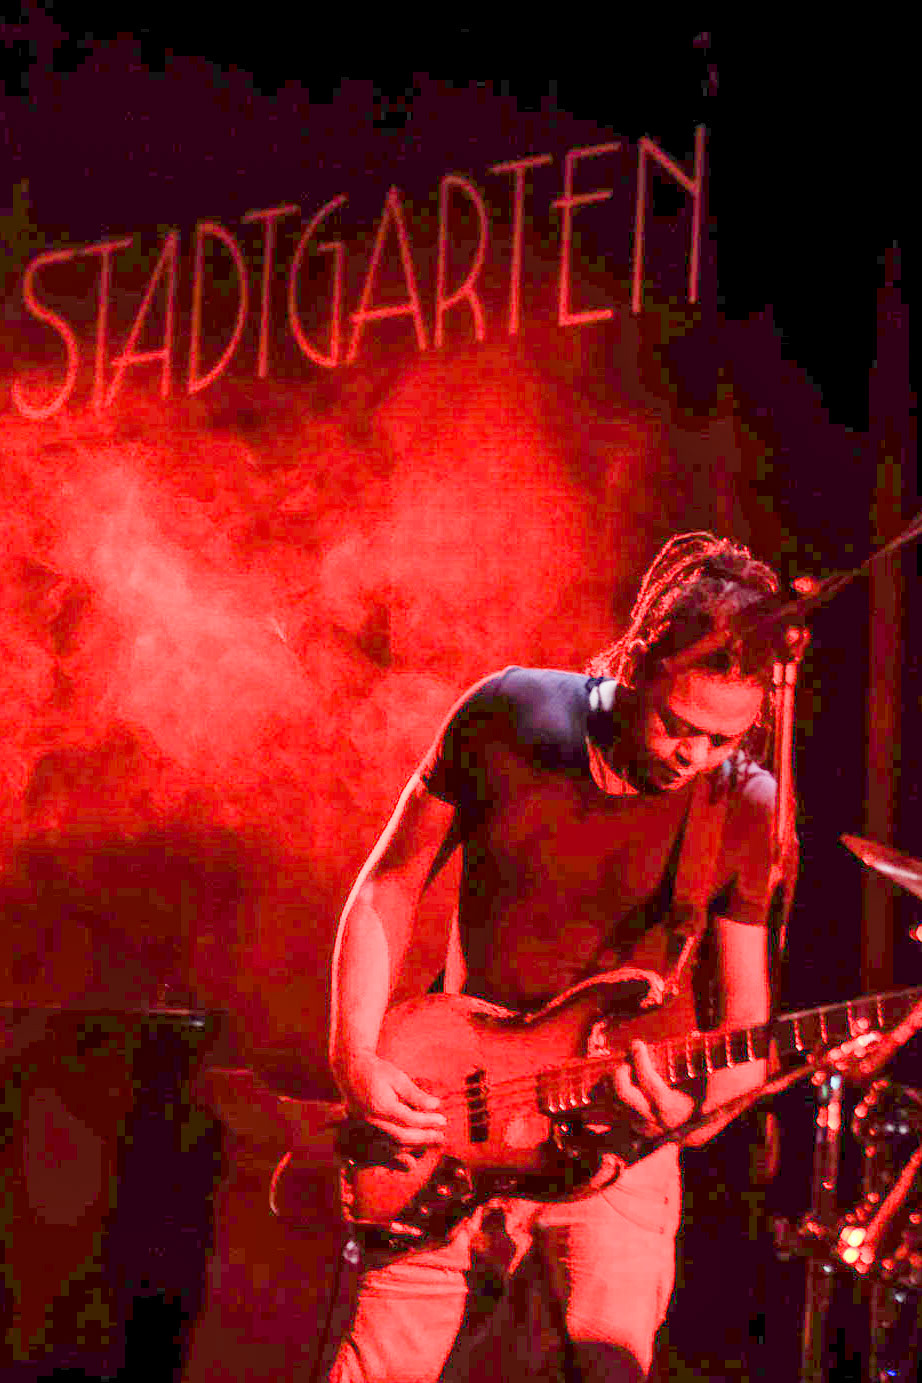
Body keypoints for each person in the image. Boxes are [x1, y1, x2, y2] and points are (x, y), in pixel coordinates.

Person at [327, 532, 799, 1382]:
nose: (694, 755)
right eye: (679, 723)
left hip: (617, 1157)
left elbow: (747, 1033)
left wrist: (686, 1112)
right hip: (453, 1112)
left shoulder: (746, 802)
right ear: (638, 661)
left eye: (724, 739)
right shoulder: (508, 713)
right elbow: (389, 886)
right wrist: (355, 1055)